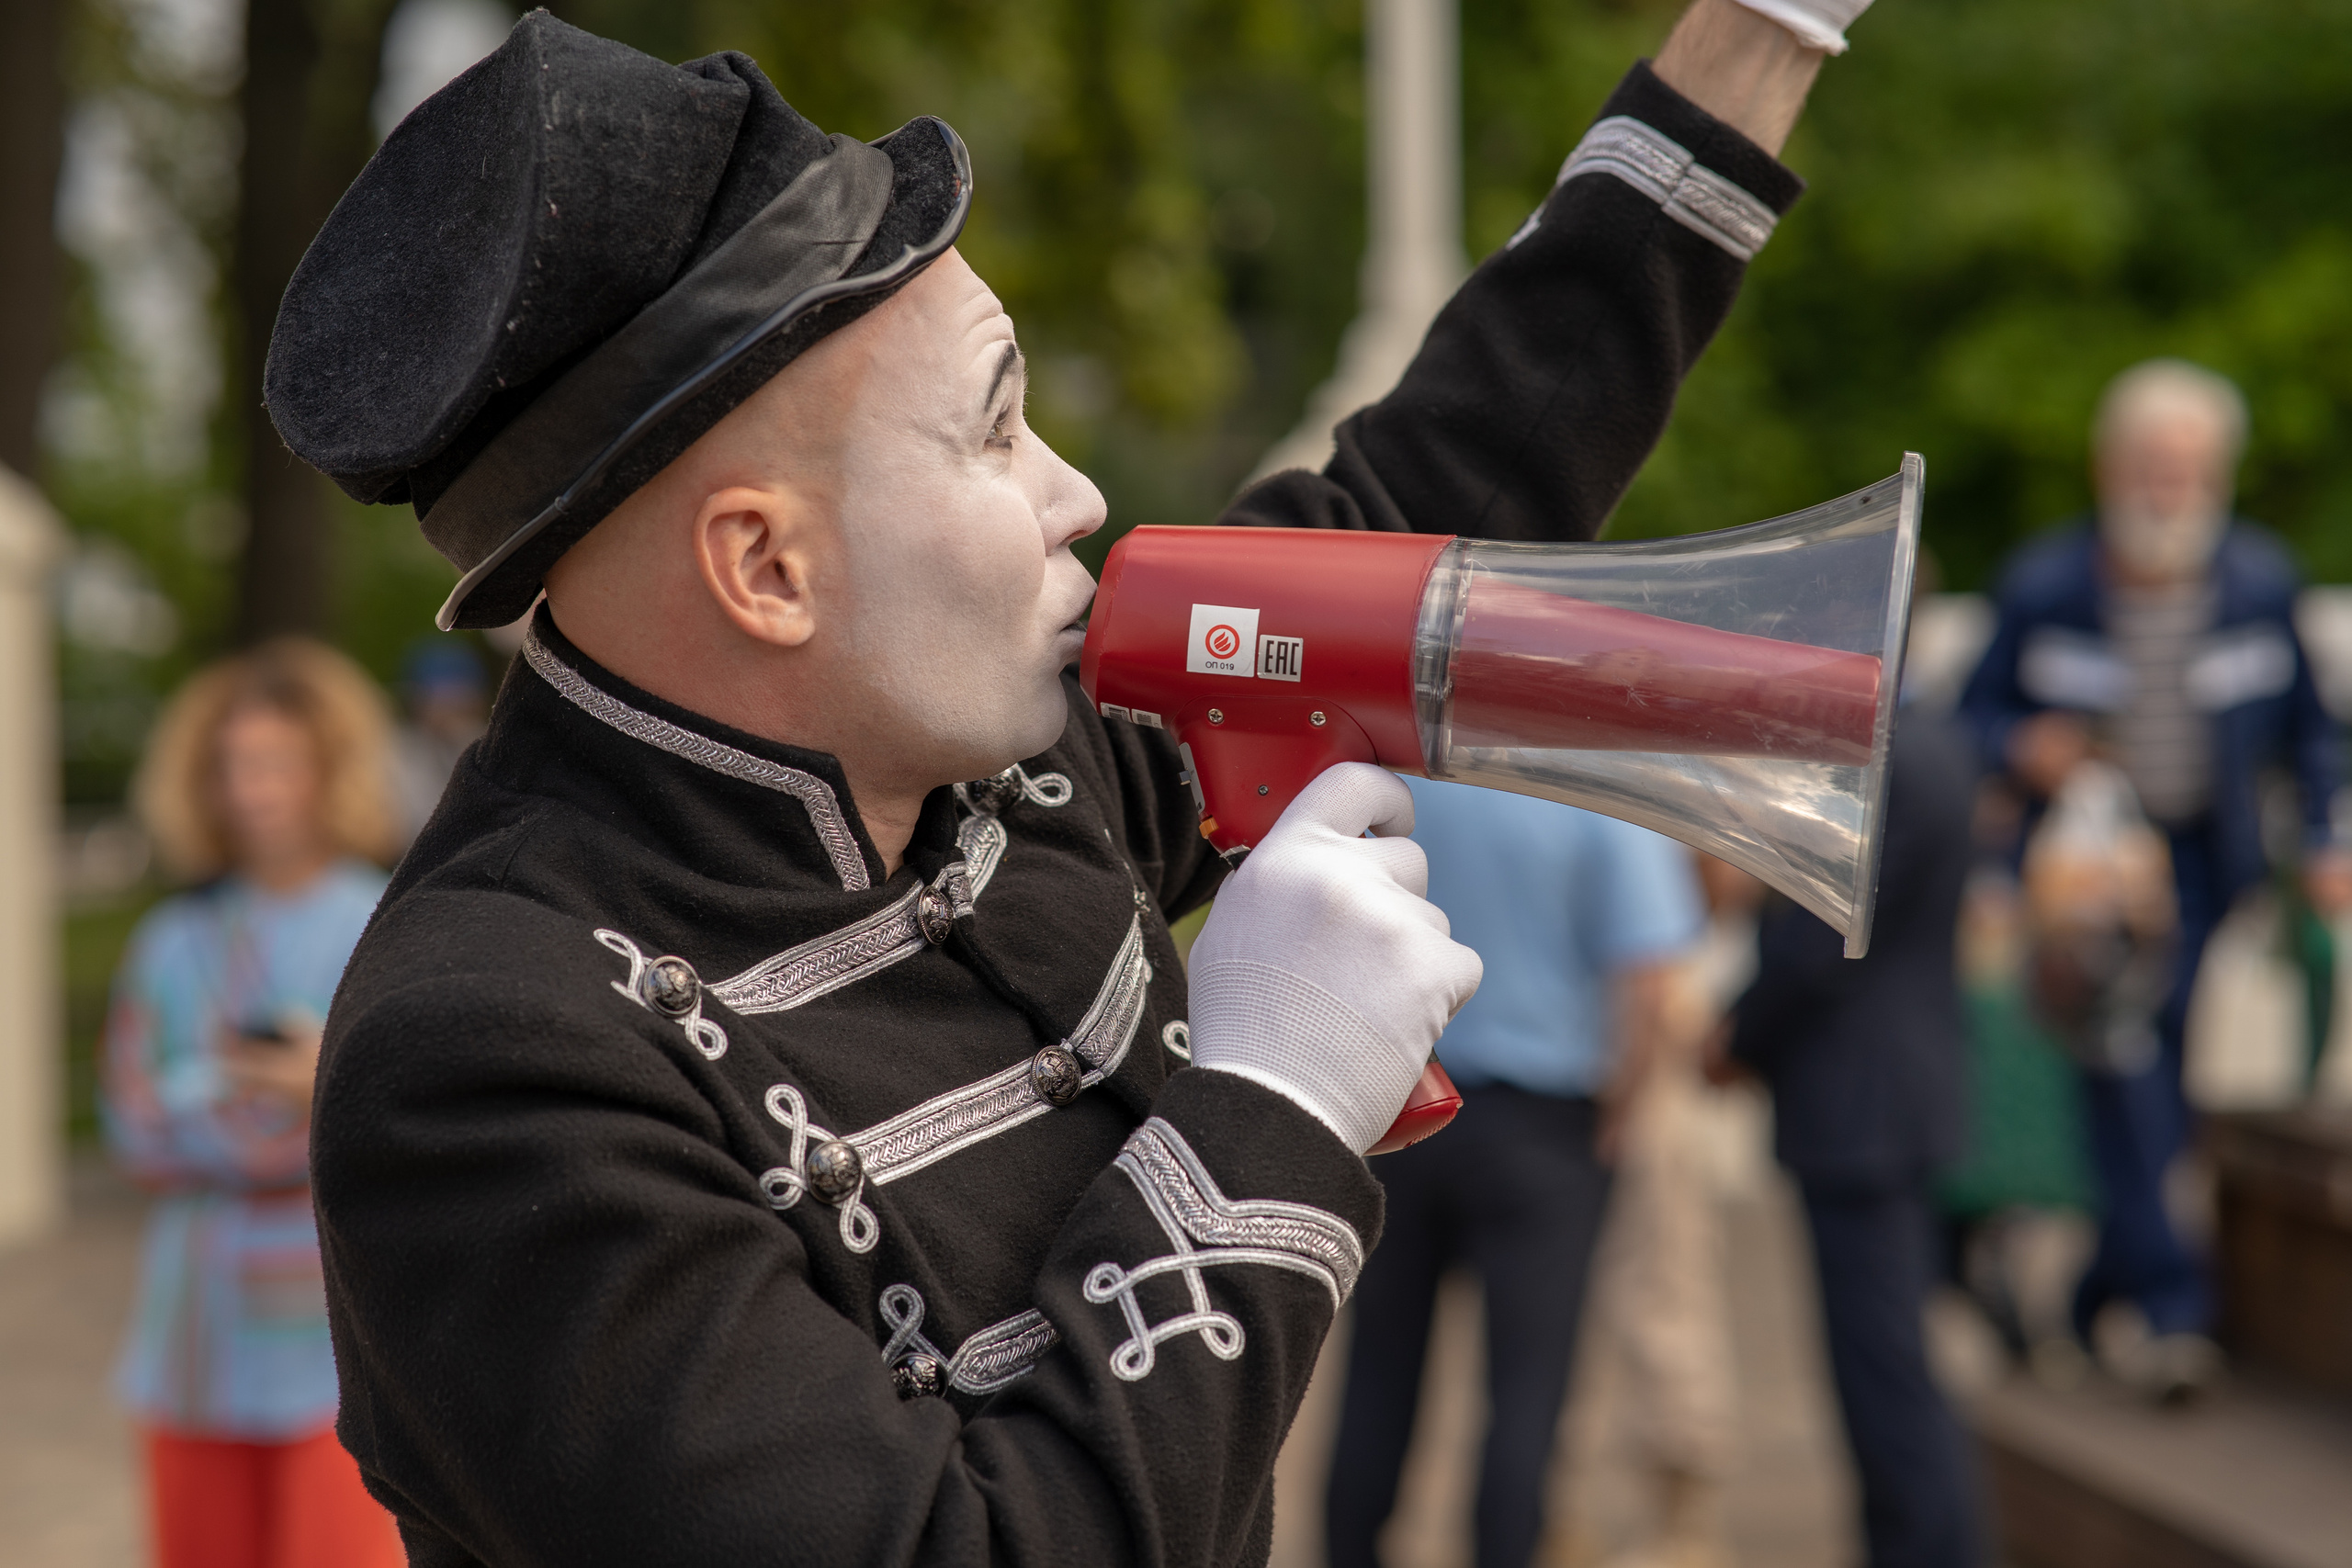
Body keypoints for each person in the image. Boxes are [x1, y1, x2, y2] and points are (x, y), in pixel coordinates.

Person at [261, 1, 1869, 1560]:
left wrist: (1762, 28)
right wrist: (1271, 1103)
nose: (1075, 492)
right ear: (766, 565)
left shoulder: (1004, 758)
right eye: (997, 427)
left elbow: (1430, 478)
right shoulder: (484, 1057)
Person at [1957, 359, 2348, 1394]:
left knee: (2156, 1084)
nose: (2166, 492)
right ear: (2108, 467)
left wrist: (2323, 840)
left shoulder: (2258, 584)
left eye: (2187, 471)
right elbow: (1969, 716)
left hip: (2200, 867)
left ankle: (2091, 1299)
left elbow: (2313, 735)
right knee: (2125, 1062)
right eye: (2150, 468)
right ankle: (2173, 1309)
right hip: (2082, 880)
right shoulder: (2048, 584)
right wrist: (2020, 748)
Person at [1324, 788, 1704, 1568]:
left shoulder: (1408, 783)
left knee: (1379, 1376)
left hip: (1407, 1107)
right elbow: (1647, 979)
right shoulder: (1599, 793)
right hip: (1547, 1127)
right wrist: (1622, 1111)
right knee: (1528, 1394)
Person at [102, 638, 402, 1568]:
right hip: (190, 1339)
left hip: (335, 1342)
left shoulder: (386, 923)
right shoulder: (171, 939)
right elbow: (132, 1125)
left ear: (329, 771)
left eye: (274, 763)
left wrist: (295, 1101)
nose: (250, 790)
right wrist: (300, 1112)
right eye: (231, 765)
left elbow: (400, 1122)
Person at [1717, 704, 1984, 1568]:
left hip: (1860, 1107)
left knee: (1882, 1371)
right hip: (1884, 1097)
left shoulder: (1894, 757)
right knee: (1886, 1362)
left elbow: (1825, 939)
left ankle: (1928, 1550)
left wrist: (1736, 1035)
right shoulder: (1934, 743)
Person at [389, 637, 491, 844]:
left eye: (458, 698)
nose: (448, 707)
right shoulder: (398, 749)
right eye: (440, 698)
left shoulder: (490, 743)